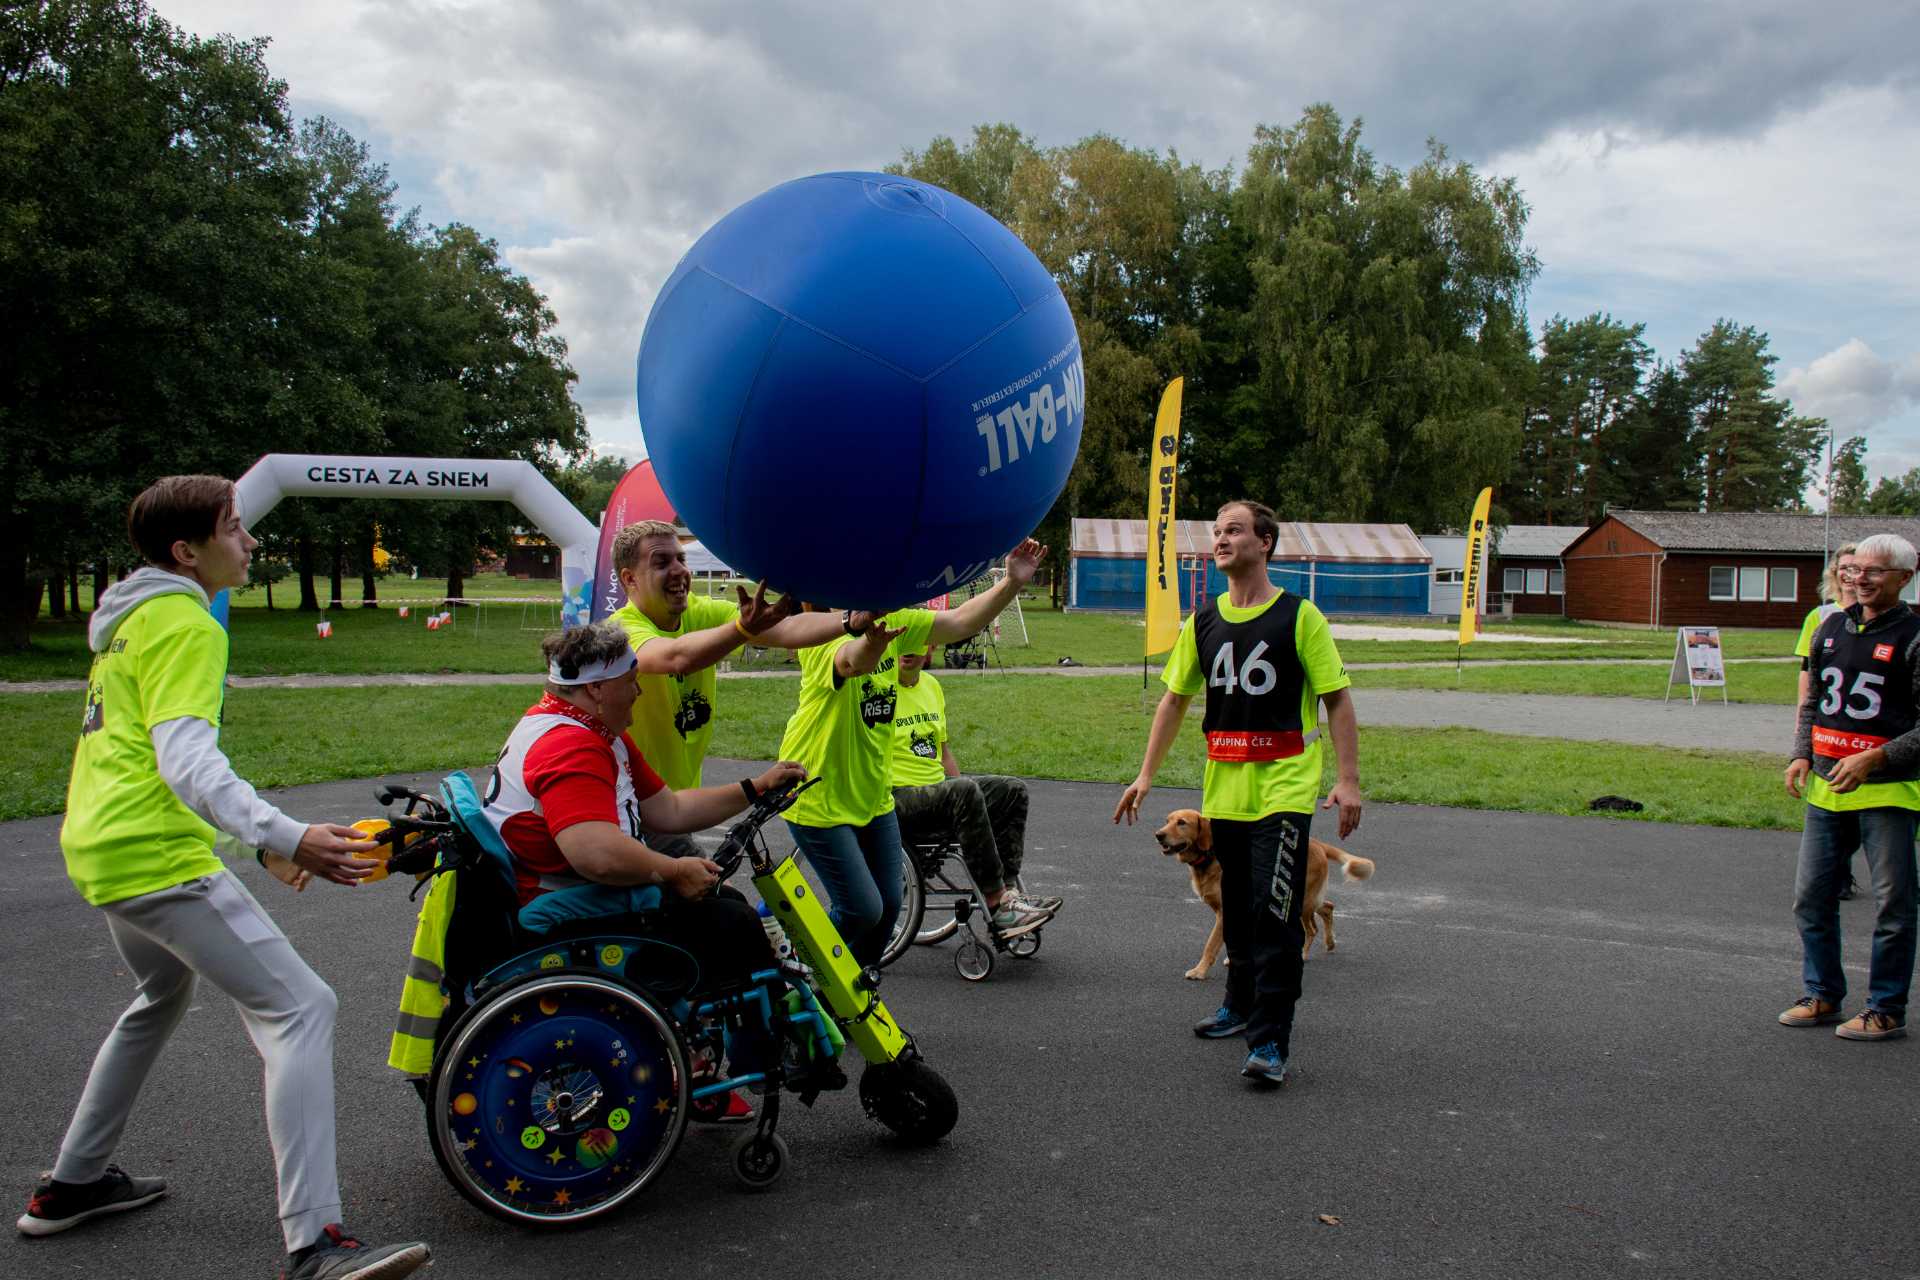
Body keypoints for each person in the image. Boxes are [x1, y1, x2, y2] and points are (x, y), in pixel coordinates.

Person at [22, 476, 431, 1280]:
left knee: (159, 996)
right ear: (189, 551)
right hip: (155, 858)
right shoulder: (185, 620)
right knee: (302, 1009)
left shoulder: (130, 620)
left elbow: (140, 757)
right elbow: (185, 761)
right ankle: (315, 1244)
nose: (249, 543)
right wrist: (287, 834)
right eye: (235, 529)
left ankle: (73, 1184)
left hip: (103, 847)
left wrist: (252, 849)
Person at [480, 622, 805, 1077]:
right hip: (568, 912)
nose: (639, 690)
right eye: (630, 680)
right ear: (595, 687)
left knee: (726, 904)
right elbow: (597, 854)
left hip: (575, 895)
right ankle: (757, 1061)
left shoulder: (589, 729)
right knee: (733, 924)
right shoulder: (570, 745)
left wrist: (755, 787)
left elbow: (668, 809)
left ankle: (713, 1046)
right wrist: (672, 872)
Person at [1114, 500, 1363, 1087]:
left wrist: (1347, 780)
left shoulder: (1300, 617)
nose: (1220, 539)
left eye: (1234, 530)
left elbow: (1338, 699)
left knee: (1277, 920)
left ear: (1266, 542)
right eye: (1216, 532)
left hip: (1283, 793)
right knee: (1242, 915)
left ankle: (1270, 1041)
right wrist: (1146, 775)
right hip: (1224, 798)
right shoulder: (1202, 621)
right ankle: (1237, 1006)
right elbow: (1174, 700)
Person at [777, 540, 1049, 966]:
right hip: (818, 797)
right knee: (862, 910)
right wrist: (873, 643)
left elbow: (960, 621)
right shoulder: (819, 633)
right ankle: (795, 965)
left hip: (873, 800)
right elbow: (852, 662)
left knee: (886, 913)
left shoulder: (900, 619)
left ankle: (857, 992)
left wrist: (1012, 583)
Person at [607, 519, 880, 856]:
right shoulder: (620, 631)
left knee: (708, 898)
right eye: (662, 562)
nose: (679, 570)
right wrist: (743, 629)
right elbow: (675, 657)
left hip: (673, 805)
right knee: (714, 901)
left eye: (681, 559)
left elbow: (785, 630)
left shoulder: (701, 612)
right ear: (630, 579)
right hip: (625, 808)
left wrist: (849, 620)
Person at [1782, 533, 1920, 1042]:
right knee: (1811, 899)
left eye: (1875, 571)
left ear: (1906, 577)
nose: (1859, 577)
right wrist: (1802, 751)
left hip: (1888, 792)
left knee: (1893, 907)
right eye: (1855, 568)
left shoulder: (1915, 635)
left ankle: (1886, 1008)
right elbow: (1814, 697)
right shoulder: (1830, 626)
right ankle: (1822, 994)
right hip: (1825, 790)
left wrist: (1877, 757)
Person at [890, 643, 1059, 938]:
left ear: (930, 646)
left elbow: (943, 755)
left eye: (917, 641)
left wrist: (963, 790)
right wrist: (962, 792)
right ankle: (996, 905)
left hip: (936, 792)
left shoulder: (931, 686)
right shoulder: (880, 688)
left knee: (1012, 790)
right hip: (896, 796)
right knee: (964, 791)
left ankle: (1008, 897)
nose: (908, 650)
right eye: (902, 640)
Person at [1797, 545, 1860, 900]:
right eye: (1845, 569)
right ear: (1834, 575)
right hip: (1827, 722)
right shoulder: (1821, 616)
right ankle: (1838, 872)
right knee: (1831, 798)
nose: (1852, 576)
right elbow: (1808, 674)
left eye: (1860, 568)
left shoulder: (1891, 620)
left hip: (1870, 727)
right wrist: (1801, 720)